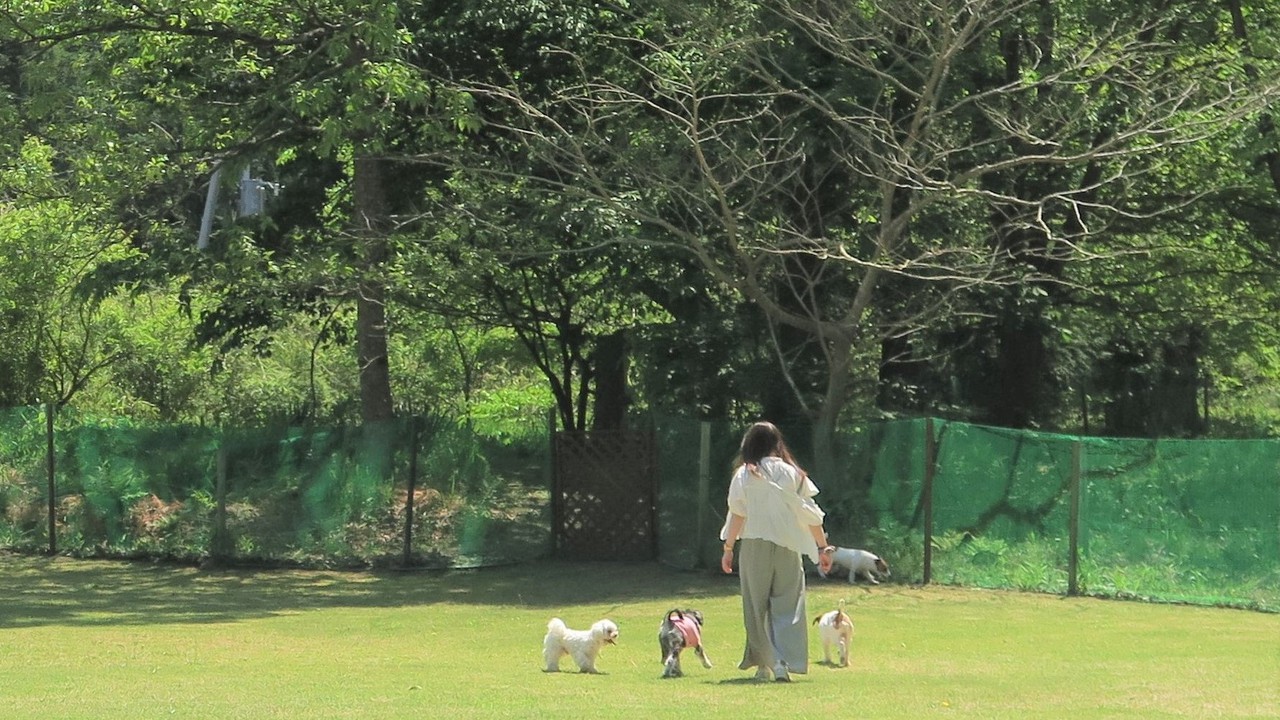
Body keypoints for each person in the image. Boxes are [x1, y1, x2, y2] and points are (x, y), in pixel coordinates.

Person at [720, 421, 835, 682]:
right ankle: (780, 660)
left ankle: (770, 661)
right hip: (789, 547)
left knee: (755, 607)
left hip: (754, 546)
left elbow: (738, 514)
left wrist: (728, 548)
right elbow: (810, 514)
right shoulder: (793, 473)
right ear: (777, 443)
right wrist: (822, 547)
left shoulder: (744, 475)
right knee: (787, 605)